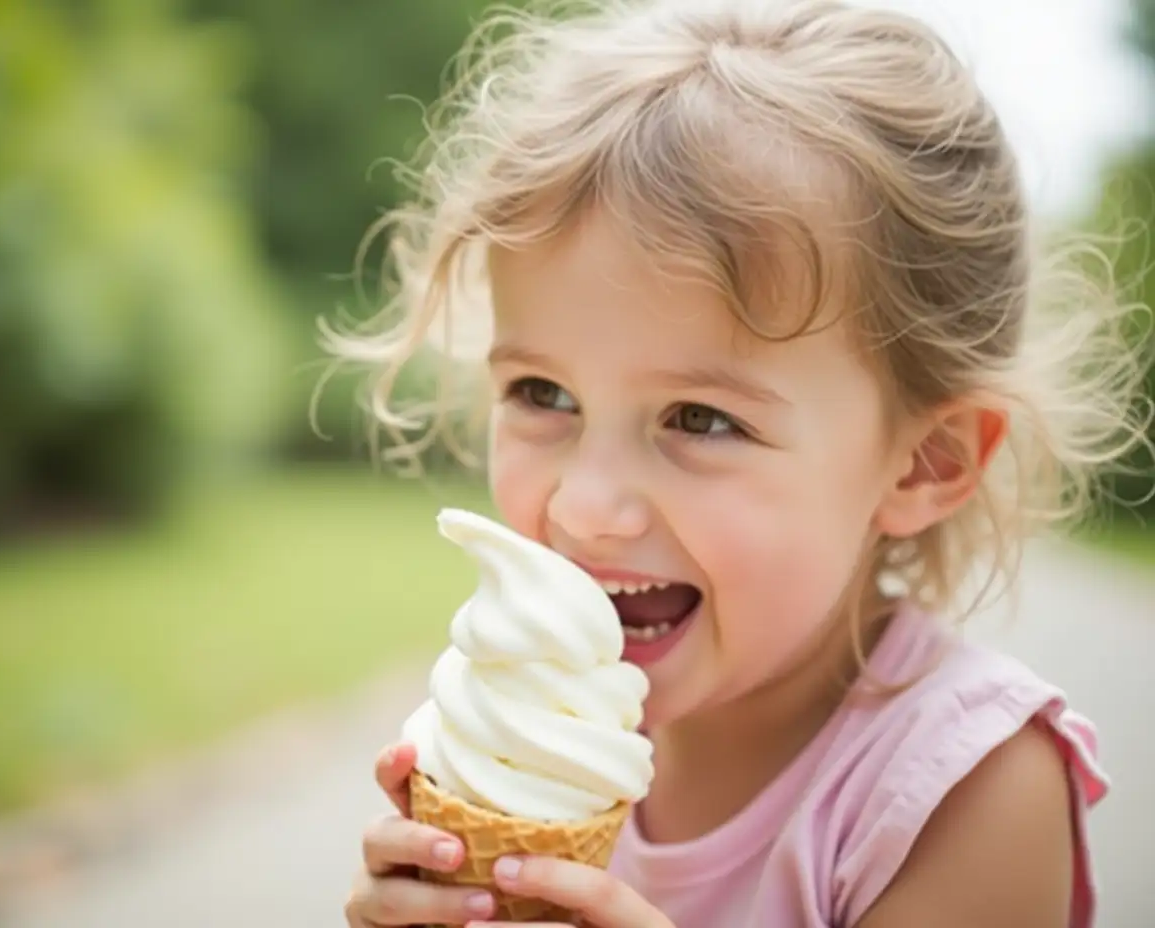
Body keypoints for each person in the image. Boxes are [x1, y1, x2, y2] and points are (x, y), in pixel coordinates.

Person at [334, 1, 1150, 925]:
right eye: (543, 396)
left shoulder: (968, 789)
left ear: (925, 461)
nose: (588, 506)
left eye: (700, 418)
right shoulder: (521, 741)